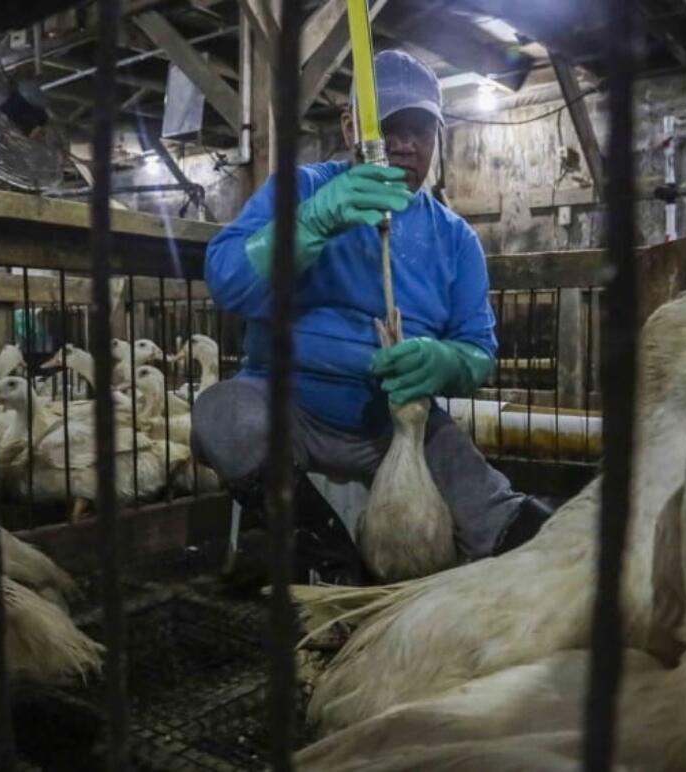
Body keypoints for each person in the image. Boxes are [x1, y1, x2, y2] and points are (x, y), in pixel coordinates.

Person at [194, 50, 551, 584]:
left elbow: (478, 350)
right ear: (349, 127)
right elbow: (225, 278)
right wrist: (311, 223)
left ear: (437, 138)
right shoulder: (304, 191)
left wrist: (445, 361)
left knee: (486, 499)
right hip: (289, 405)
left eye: (420, 129)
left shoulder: (455, 240)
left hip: (399, 422)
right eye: (388, 128)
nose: (406, 144)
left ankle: (557, 566)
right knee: (225, 414)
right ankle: (327, 557)